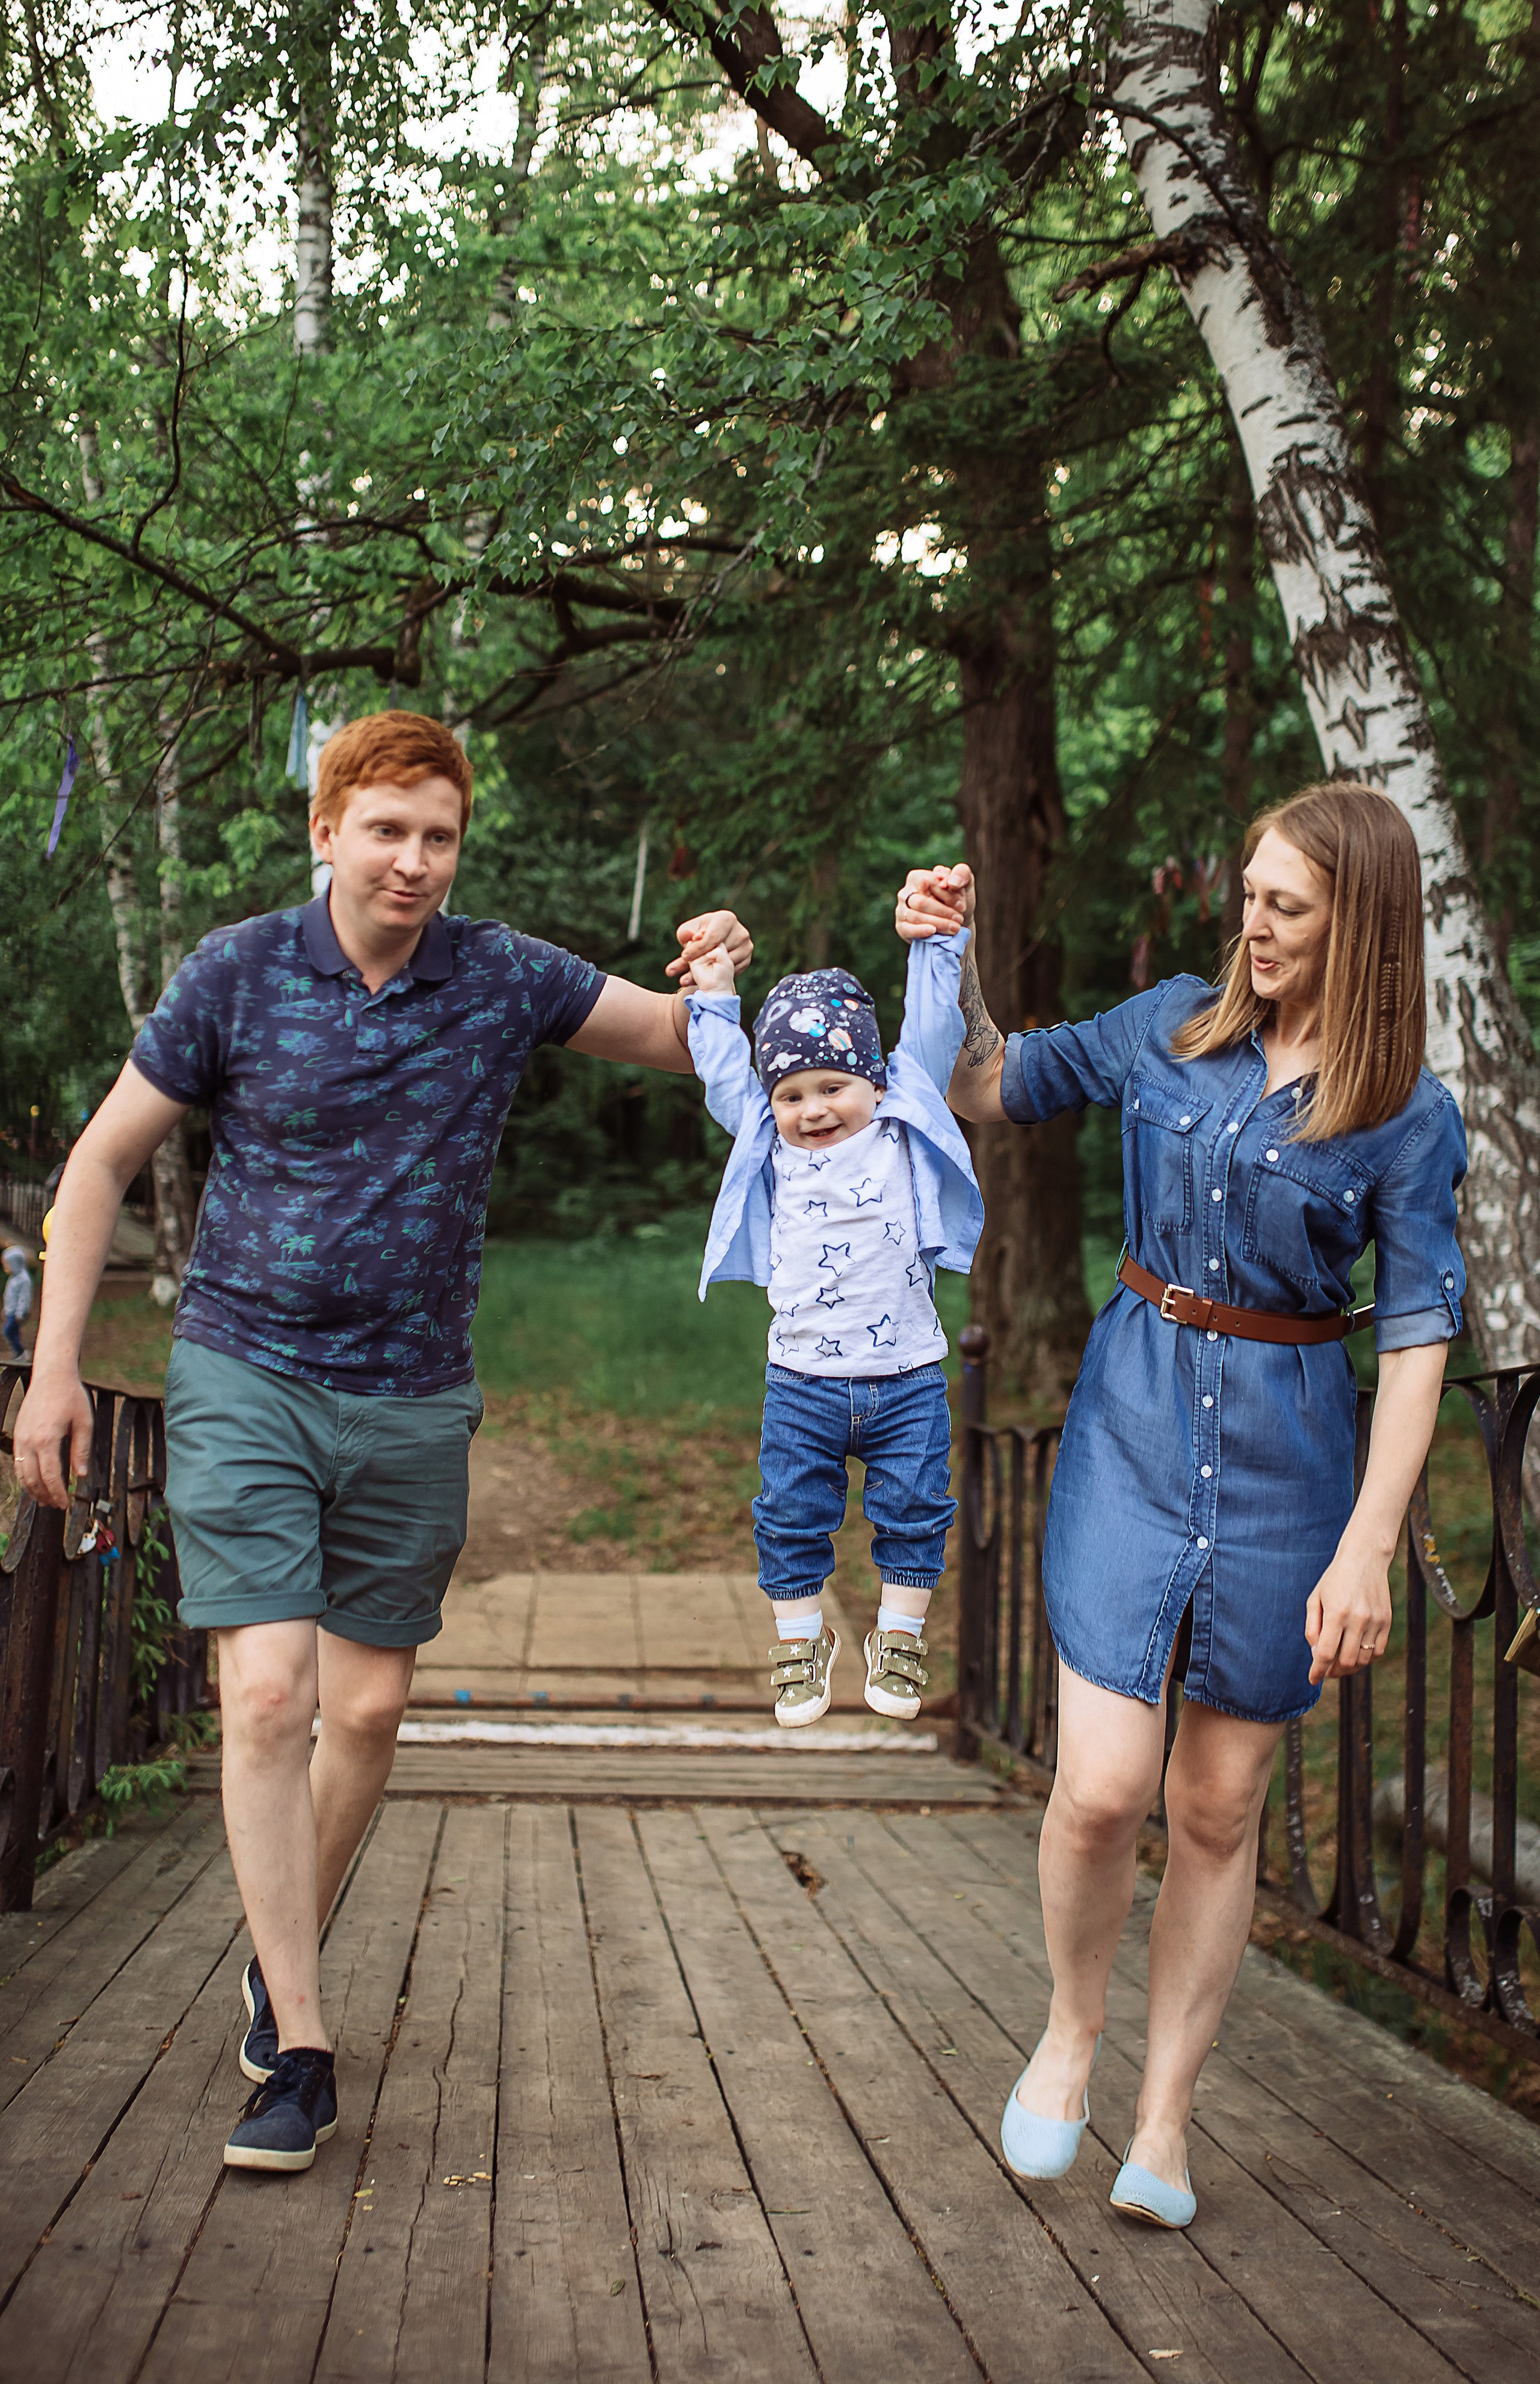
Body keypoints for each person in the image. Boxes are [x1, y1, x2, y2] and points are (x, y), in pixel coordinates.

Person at [13, 710, 752, 2176]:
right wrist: (54, 1373)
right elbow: (97, 1161)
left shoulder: (500, 977)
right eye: (386, 830)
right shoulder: (234, 973)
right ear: (325, 832)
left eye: (438, 836)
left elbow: (681, 1045)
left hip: (413, 1393)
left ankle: (271, 1958)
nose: (413, 861)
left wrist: (722, 973)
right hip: (244, 1375)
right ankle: (302, 2042)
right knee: (270, 1697)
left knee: (360, 1718)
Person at [898, 781, 1464, 2229]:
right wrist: (944, 958)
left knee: (1216, 1807)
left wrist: (1366, 1549)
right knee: (1098, 1791)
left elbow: (1411, 1339)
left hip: (1287, 1465)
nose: (1251, 925)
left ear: (1362, 927)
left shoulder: (1404, 1116)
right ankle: (1069, 2033)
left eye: (1286, 905)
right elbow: (986, 1081)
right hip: (1133, 1435)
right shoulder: (1165, 1024)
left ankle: (1163, 2119)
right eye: (1250, 895)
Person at [686, 923, 982, 1725]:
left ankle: (898, 1638)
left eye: (831, 1087)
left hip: (908, 1377)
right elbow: (722, 1079)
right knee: (787, 1517)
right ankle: (801, 1644)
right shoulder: (767, 1140)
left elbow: (932, 1026)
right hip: (802, 1381)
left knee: (916, 1512)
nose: (812, 1108)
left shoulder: (901, 1120)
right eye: (791, 1094)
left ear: (874, 1083)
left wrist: (941, 942)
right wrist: (715, 995)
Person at [2, 1244, 32, 1360]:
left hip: (17, 1313)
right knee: (12, 1332)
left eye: (7, 1265)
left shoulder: (24, 1280)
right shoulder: (13, 1279)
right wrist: (6, 1310)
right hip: (11, 1311)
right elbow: (10, 1296)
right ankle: (17, 1352)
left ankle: (20, 1352)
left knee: (8, 1331)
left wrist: (20, 1313)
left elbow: (23, 1298)